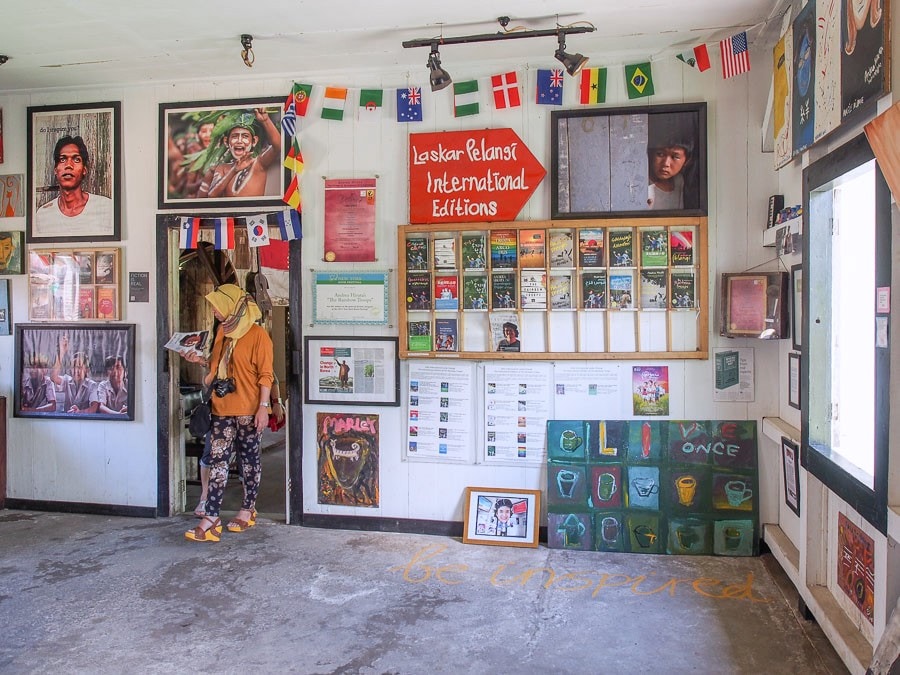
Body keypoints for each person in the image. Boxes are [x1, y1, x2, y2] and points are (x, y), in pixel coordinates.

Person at [183, 284, 274, 542]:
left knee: (249, 461)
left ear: (232, 306)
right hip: (221, 409)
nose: (214, 311)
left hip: (248, 410)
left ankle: (248, 509)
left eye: (217, 305)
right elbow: (216, 367)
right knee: (218, 461)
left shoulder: (258, 335)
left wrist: (263, 408)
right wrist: (199, 361)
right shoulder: (222, 331)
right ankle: (211, 517)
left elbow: (266, 375)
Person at [33, 136, 113, 238]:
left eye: (76, 159)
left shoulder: (106, 208)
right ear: (55, 170)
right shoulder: (42, 215)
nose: (69, 165)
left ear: (84, 170)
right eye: (62, 159)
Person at [197, 109, 281, 199]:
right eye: (235, 136)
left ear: (254, 141)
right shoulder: (222, 168)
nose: (239, 141)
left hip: (254, 213)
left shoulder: (259, 163)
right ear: (226, 142)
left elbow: (278, 146)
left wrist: (265, 120)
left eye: (245, 136)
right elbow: (212, 195)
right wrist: (234, 170)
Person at [646, 114, 697, 211]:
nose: (666, 163)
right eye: (660, 154)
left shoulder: (679, 181)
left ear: (687, 161)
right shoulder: (642, 184)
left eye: (675, 157)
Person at [50, 335, 99, 414]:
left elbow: (94, 408)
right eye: (74, 367)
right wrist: (62, 352)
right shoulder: (66, 380)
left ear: (86, 370)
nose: (76, 371)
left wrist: (80, 412)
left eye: (79, 367)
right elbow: (53, 377)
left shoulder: (92, 385)